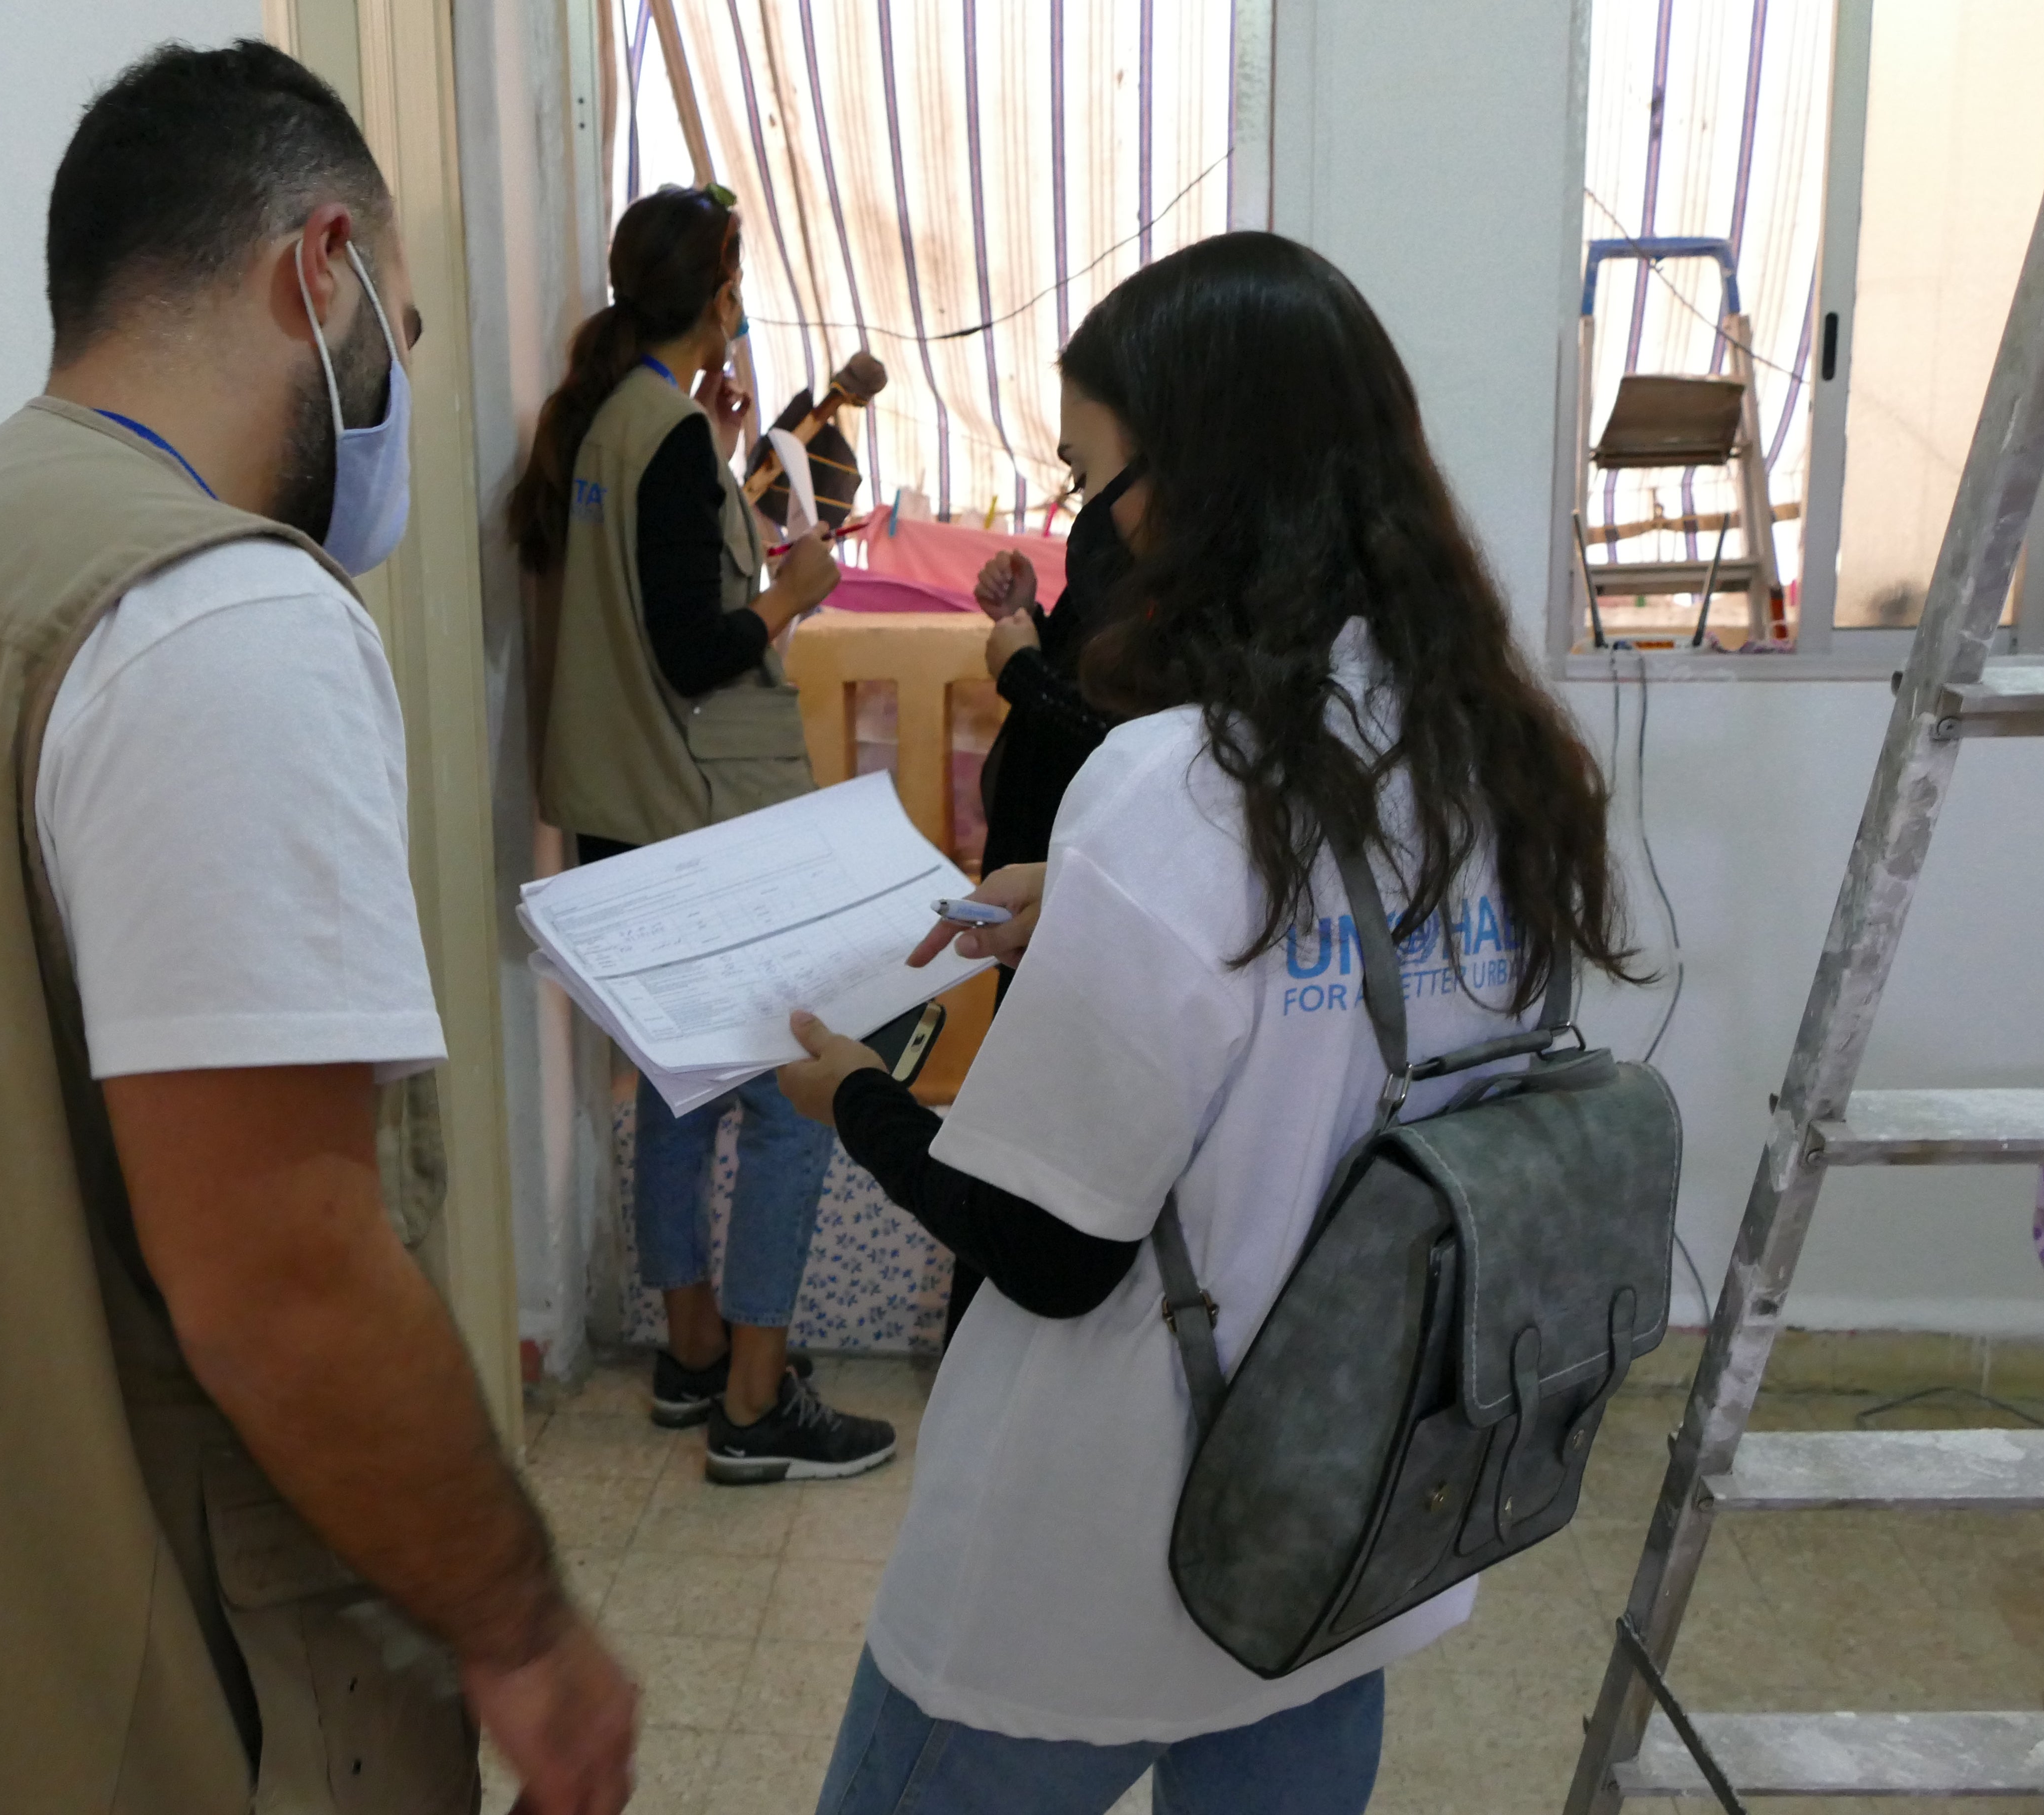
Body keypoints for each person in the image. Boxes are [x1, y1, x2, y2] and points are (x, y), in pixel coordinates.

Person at [0, 44, 634, 1815]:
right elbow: (283, 1276)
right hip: (146, 1693)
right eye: (408, 325)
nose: (402, 382)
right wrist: (523, 1622)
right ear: (321, 266)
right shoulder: (215, 614)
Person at [777, 231, 1640, 1814]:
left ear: (1204, 486)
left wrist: (851, 1098)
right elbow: (1330, 990)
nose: (1090, 527)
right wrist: (1086, 903)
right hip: (1341, 1520)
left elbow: (1049, 1251)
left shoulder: (1178, 788)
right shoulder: (1484, 752)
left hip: (1098, 1558)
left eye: (1096, 480)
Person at [509, 186, 896, 1485]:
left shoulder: (610, 427)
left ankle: (688, 1353)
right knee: (795, 1103)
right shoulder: (664, 433)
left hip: (624, 815)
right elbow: (692, 644)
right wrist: (792, 590)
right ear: (720, 299)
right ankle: (752, 1397)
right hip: (702, 819)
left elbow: (642, 596)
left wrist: (723, 460)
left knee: (676, 1095)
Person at [935, 387, 1137, 1338]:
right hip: (1045, 869)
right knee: (1011, 1103)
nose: (1081, 496)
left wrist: (1021, 669)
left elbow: (1123, 733)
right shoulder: (1122, 530)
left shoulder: (1154, 535)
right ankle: (989, 1330)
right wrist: (1037, 618)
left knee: (1034, 1123)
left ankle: (1004, 1326)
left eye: (1084, 471)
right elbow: (1100, 669)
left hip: (1083, 875)